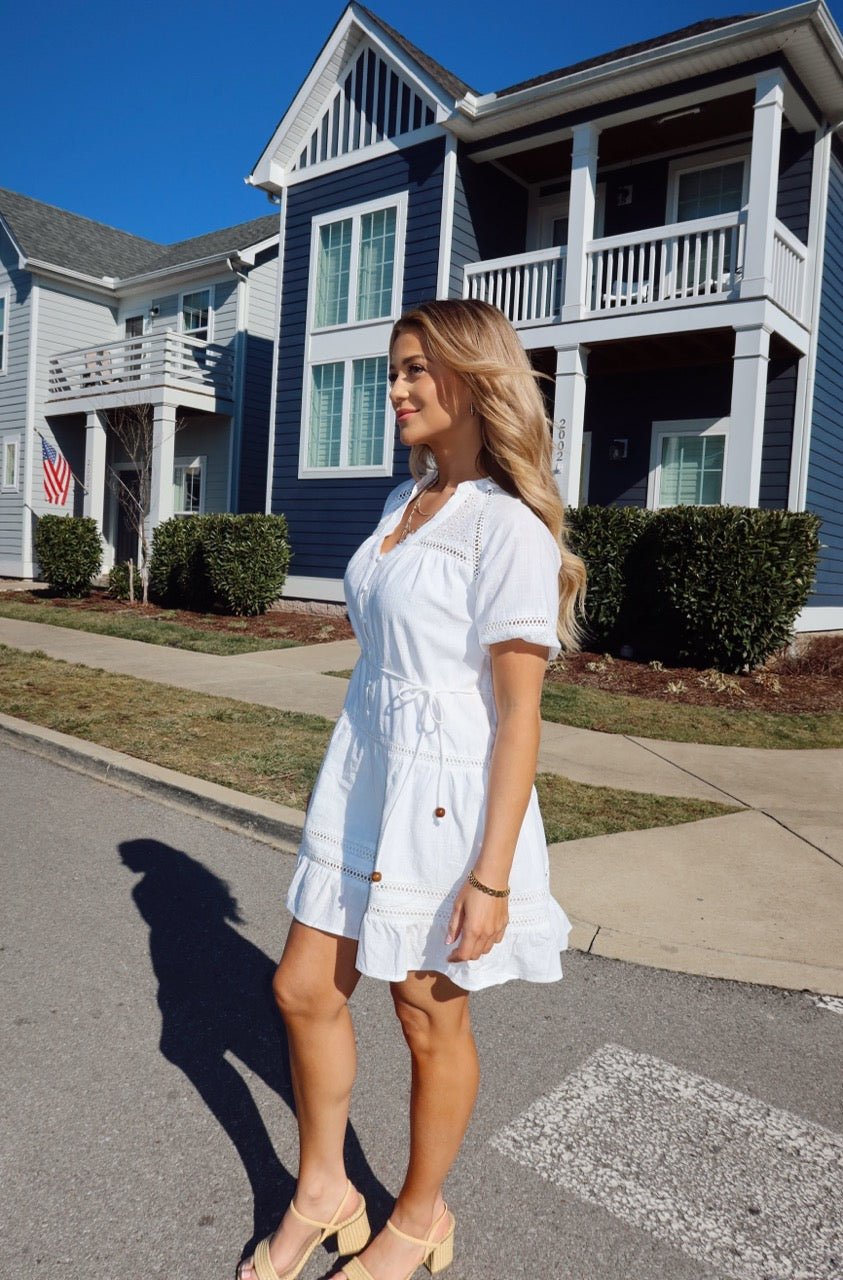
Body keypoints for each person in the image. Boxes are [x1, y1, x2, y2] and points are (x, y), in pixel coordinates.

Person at [236, 298, 586, 1280]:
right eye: (393, 370)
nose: (393, 389)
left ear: (474, 379)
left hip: (449, 798)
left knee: (427, 1014)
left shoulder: (506, 527)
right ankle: (326, 1188)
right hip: (365, 768)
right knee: (303, 987)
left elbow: (518, 716)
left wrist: (493, 875)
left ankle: (420, 1216)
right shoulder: (405, 501)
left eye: (413, 370)